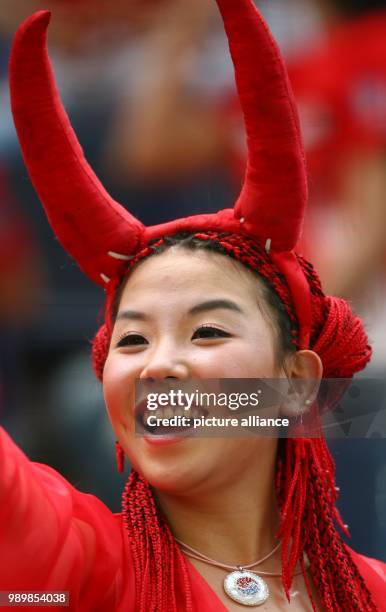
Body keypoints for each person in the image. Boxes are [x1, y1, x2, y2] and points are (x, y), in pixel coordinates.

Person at [2, 1, 385, 611]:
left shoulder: (371, 591)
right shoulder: (68, 566)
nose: (159, 366)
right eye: (130, 340)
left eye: (206, 331)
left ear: (295, 383)